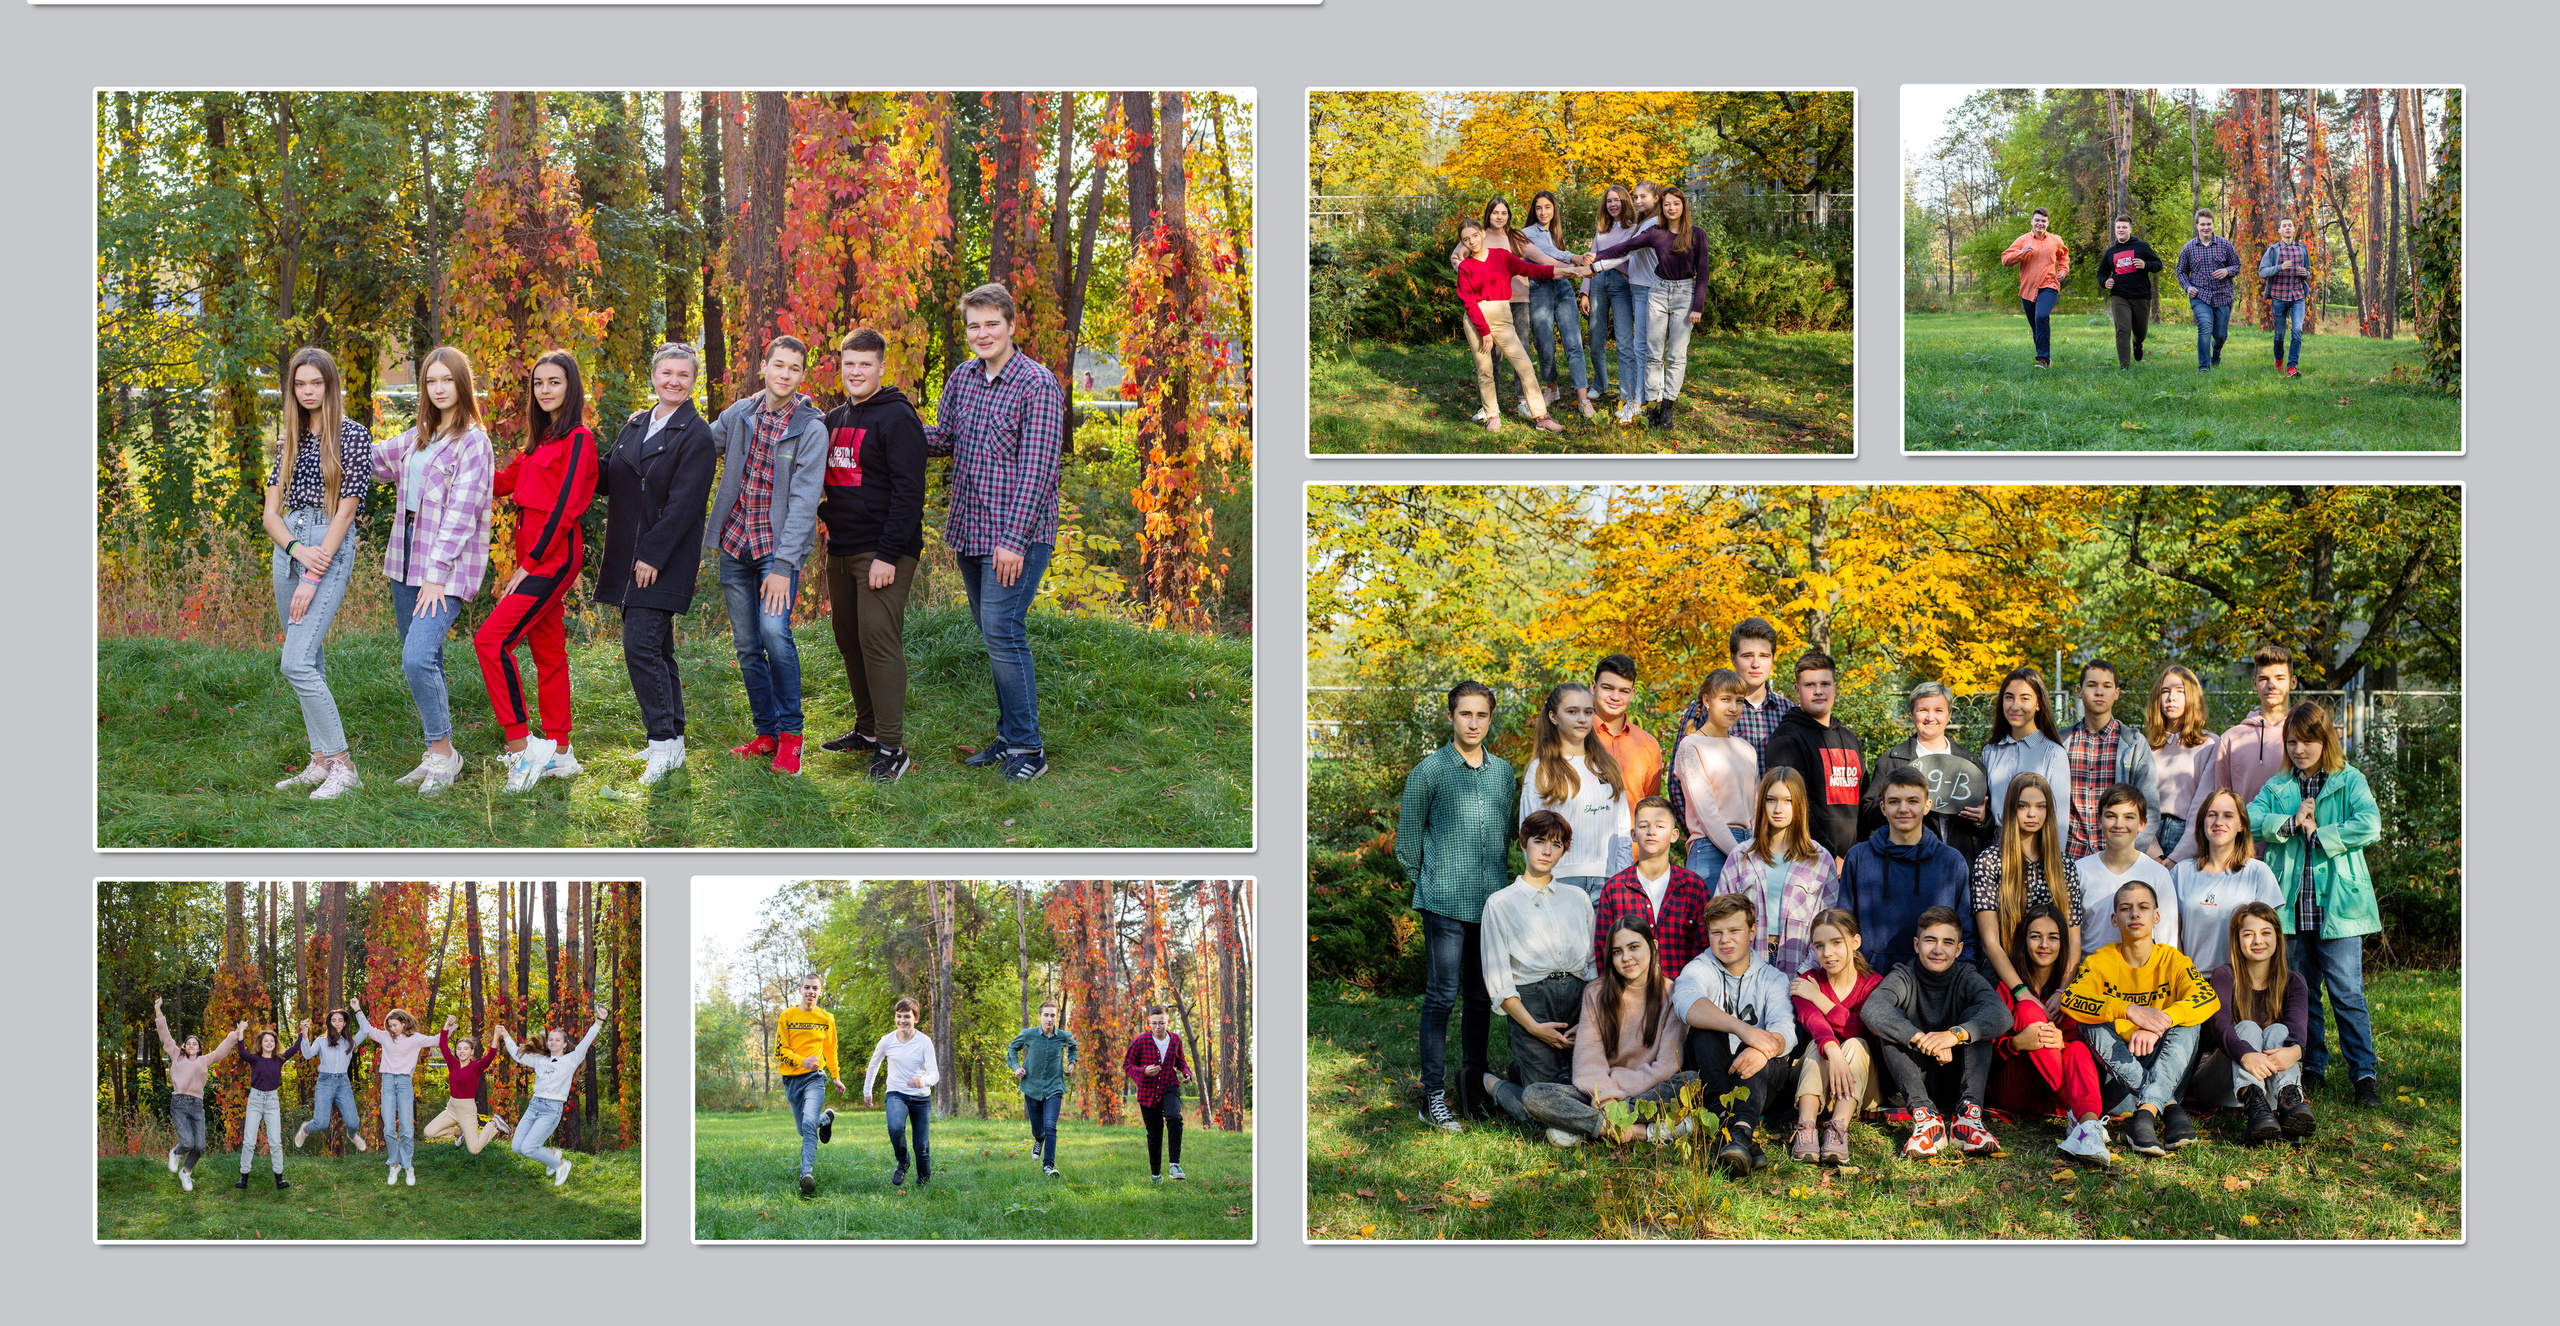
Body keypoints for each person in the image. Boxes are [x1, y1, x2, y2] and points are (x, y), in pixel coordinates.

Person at [926, 283, 1067, 782]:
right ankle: (1010, 738)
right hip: (970, 528)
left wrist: (1013, 541)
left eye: (991, 324)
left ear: (1011, 326)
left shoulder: (1037, 385)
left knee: (1004, 633)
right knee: (993, 633)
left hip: (1016, 536)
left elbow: (1038, 471)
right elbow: (942, 439)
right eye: (973, 326)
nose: (982, 334)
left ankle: (1030, 748)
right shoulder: (962, 379)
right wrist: (889, 421)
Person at [369, 345, 494, 797]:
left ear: (462, 383)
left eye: (447, 380)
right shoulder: (421, 435)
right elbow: (374, 460)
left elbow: (462, 513)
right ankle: (436, 752)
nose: (439, 389)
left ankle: (444, 755)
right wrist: (310, 441)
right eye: (431, 381)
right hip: (405, 563)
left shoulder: (473, 442)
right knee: (430, 659)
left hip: (443, 571)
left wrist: (437, 574)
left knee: (417, 657)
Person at [596, 341, 720, 785]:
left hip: (660, 558)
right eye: (666, 373)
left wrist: (652, 554)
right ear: (654, 376)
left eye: (683, 375)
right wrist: (571, 453)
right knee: (657, 649)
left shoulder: (697, 434)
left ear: (693, 381)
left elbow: (685, 505)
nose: (674, 381)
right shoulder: (636, 423)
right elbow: (607, 475)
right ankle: (673, 747)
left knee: (640, 646)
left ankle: (661, 745)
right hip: (627, 556)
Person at [475, 349, 598, 794]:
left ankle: (521, 746)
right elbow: (503, 482)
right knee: (548, 652)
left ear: (571, 387)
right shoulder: (540, 441)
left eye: (554, 382)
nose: (545, 391)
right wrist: (458, 464)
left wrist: (528, 566)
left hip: (554, 557)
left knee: (490, 640)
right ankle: (561, 753)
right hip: (531, 554)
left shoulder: (579, 439)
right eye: (539, 383)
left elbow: (566, 509)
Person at [2249, 701, 2384, 1108]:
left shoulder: (2349, 781)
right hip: (2291, 910)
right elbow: (2250, 819)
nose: (2299, 749)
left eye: (2308, 740)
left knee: (2347, 993)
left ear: (2325, 740)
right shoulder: (2277, 787)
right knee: (2301, 992)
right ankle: (2312, 1066)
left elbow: (2369, 824)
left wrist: (2318, 831)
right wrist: (2290, 822)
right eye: (2292, 741)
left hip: (2338, 908)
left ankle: (2364, 1075)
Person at [1398, 681, 1516, 1131]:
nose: (1473, 722)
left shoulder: (1503, 773)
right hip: (1444, 905)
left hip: (1489, 906)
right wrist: (1431, 884)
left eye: (1481, 715)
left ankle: (1472, 1088)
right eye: (1465, 714)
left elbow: (1506, 835)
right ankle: (1433, 1095)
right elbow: (1407, 845)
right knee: (1441, 997)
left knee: (1480, 997)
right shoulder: (1428, 772)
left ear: (1490, 718)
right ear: (1451, 717)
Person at [707, 335, 828, 776]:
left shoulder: (810, 429)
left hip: (773, 553)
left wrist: (782, 567)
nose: (784, 374)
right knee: (745, 645)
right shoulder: (739, 414)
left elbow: (803, 503)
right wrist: (654, 425)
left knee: (774, 634)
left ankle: (792, 739)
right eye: (778, 365)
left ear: (801, 375)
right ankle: (766, 733)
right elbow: (701, 447)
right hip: (735, 544)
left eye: (794, 369)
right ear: (765, 366)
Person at [816, 328, 930, 783]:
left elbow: (909, 493)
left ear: (882, 367)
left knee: (879, 643)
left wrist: (887, 555)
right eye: (849, 364)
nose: (857, 372)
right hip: (841, 548)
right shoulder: (835, 418)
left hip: (883, 554)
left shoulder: (898, 419)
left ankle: (892, 746)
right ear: (840, 367)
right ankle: (866, 732)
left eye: (866, 364)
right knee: (850, 642)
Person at [261, 346, 373, 800]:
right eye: (300, 384)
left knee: (296, 661)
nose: (308, 392)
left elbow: (345, 515)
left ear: (330, 385)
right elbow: (270, 513)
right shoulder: (290, 438)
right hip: (289, 544)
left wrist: (311, 571)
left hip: (328, 544)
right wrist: (292, 548)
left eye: (316, 383)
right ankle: (320, 761)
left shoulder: (352, 436)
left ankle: (344, 766)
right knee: (312, 658)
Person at [2057, 881, 2217, 1156]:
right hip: (2119, 1083)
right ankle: (2164, 1107)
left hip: (2168, 1070)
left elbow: (2207, 998)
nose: (2134, 914)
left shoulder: (2173, 960)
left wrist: (2161, 1022)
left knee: (2190, 1018)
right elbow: (2070, 999)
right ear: (2114, 919)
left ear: (2156, 916)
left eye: (2143, 907)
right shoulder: (2099, 961)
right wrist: (2129, 1010)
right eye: (2125, 908)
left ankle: (2145, 1114)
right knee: (2088, 1018)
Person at [1520, 920, 1697, 1147]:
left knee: (1690, 1082)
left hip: (1648, 1092)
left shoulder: (1673, 994)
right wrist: (1607, 1100)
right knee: (1535, 1095)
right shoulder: (1596, 992)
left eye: (1634, 947)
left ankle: (1587, 1128)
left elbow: (1667, 1066)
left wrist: (1620, 1094)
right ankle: (1640, 1131)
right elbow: (1589, 1059)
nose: (1626, 958)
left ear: (1653, 946)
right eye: (1617, 951)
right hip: (1600, 1093)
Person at [1477, 810, 1595, 1130]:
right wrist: (1534, 1028)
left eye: (1555, 845)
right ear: (1523, 844)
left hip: (1576, 1002)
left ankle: (1522, 1074)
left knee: (1588, 1092)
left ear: (1563, 850)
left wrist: (1588, 1020)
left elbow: (1592, 966)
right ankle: (1490, 1083)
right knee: (1542, 1114)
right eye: (1539, 841)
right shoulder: (1500, 904)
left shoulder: (1577, 899)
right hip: (1531, 1006)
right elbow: (1500, 983)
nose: (1546, 851)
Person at [1863, 907, 2012, 1159]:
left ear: (1959, 949)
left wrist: (1955, 1034)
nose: (1938, 949)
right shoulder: (1904, 974)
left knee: (1977, 1022)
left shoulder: (1966, 976)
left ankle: (1968, 1119)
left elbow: (2001, 1015)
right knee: (1892, 1024)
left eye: (1947, 942)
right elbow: (1872, 1009)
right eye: (1930, 940)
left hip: (1957, 1082)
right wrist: (1922, 1038)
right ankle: (1926, 1122)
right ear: (1916, 944)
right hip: (1910, 1085)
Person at [1671, 893, 1798, 1175]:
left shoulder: (1772, 978)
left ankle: (1732, 1133)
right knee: (1705, 1031)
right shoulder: (1701, 967)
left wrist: (1763, 1046)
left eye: (1734, 931)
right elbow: (1685, 1002)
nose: (1725, 940)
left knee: (1766, 1052)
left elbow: (1785, 1028)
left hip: (1759, 1076)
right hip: (1713, 1070)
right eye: (1716, 932)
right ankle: (1740, 1136)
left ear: (1752, 932)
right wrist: (1742, 1029)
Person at [1988, 904, 2112, 1167]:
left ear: (2063, 943)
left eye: (2053, 937)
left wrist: (2062, 1045)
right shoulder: (2005, 986)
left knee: (2077, 1047)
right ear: (2024, 941)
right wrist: (2016, 1043)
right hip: (2017, 1089)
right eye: (2035, 936)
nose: (2044, 945)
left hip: (2056, 1102)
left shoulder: (2074, 991)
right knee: (2028, 1008)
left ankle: (2086, 1128)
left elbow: (2085, 1054)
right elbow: (1984, 1052)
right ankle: (2084, 1120)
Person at [1587, 187, 1711, 429]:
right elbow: (1625, 248)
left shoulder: (1697, 234)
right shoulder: (1656, 232)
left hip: (1684, 295)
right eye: (1667, 204)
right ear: (1662, 207)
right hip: (1657, 292)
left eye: (1676, 203)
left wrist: (1698, 305)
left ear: (1683, 206)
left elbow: (1703, 272)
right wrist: (1596, 256)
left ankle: (1667, 408)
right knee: (1653, 354)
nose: (1671, 208)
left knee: (1676, 355)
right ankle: (1652, 405)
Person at [2197, 903, 2317, 1141]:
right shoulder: (2224, 974)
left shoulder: (2294, 981)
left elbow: (2298, 1030)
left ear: (2277, 937)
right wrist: (2245, 1055)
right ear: (2237, 940)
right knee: (2248, 1027)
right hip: (2218, 1082)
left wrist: (2294, 1051)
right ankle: (2255, 1110)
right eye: (2248, 934)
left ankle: (2290, 1103)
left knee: (2279, 1030)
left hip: (2271, 1087)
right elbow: (2220, 1028)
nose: (2257, 940)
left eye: (2265, 932)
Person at [2173, 646, 2301, 864]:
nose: (2271, 685)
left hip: (2293, 852)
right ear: (2254, 683)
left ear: (2293, 682)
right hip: (2242, 855)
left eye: (2280, 678)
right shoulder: (2232, 739)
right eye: (2264, 678)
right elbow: (2219, 800)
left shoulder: (2304, 738)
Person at [1841, 765, 1972, 975]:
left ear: (1927, 806)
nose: (1903, 809)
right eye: (1894, 801)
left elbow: (1966, 934)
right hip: (1870, 980)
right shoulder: (1858, 857)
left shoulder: (1951, 861)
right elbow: (1844, 929)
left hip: (1935, 983)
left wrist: (1958, 985)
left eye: (1913, 801)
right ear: (1882, 807)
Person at [1666, 618, 1794, 831]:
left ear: (1772, 659)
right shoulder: (1706, 711)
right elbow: (1678, 784)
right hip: (1717, 836)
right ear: (1733, 658)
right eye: (1747, 656)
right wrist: (1700, 835)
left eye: (1764, 656)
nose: (1756, 664)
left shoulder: (1788, 712)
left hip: (1779, 835)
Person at [1453, 217, 1576, 435]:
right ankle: (1492, 415)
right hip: (1476, 320)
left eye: (1474, 235)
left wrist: (1566, 271)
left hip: (1502, 316)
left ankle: (1541, 417)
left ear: (1482, 233)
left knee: (1525, 365)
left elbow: (1532, 270)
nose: (1471, 241)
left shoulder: (1502, 256)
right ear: (1463, 244)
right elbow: (1469, 301)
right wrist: (1484, 331)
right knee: (1485, 370)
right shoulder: (1466, 267)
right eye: (1465, 240)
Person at [1712, 770, 1840, 977]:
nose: (1778, 809)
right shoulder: (1741, 856)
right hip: (1746, 966)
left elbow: (1831, 922)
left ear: (1799, 804)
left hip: (1802, 966)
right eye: (1771, 800)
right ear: (1762, 803)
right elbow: (1720, 918)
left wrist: (1807, 970)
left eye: (1788, 800)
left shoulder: (1820, 859)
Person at [1972, 772, 2085, 998]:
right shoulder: (1989, 861)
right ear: (2011, 809)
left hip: (2054, 977)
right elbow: (1990, 942)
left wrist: (2062, 990)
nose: (2032, 814)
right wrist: (2022, 992)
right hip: (2004, 978)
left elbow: (2073, 940)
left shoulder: (2064, 865)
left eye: (2040, 806)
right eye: (2023, 806)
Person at [1517, 681, 1633, 900]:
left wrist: (1622, 881)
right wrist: (1541, 886)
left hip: (1607, 883)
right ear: (1553, 716)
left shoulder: (1607, 767)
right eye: (1572, 712)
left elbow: (1623, 830)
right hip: (1560, 883)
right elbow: (1531, 835)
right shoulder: (1541, 769)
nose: (1582, 719)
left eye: (1588, 712)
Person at [1785, 909, 1883, 1166]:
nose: (1827, 953)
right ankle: (1806, 1128)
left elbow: (1861, 1028)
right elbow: (1813, 1022)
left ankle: (1837, 1129)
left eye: (1836, 942)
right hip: (1816, 1082)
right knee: (1818, 1047)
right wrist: (1833, 1051)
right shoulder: (1806, 980)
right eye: (1819, 946)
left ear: (1855, 942)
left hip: (1860, 1083)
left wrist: (1819, 998)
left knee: (1856, 1044)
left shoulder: (1873, 984)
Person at [1860, 680, 1989, 862]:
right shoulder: (1893, 761)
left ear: (1949, 715)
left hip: (1956, 864)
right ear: (1912, 714)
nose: (1930, 717)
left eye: (1938, 710)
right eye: (1923, 710)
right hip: (1905, 862)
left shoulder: (1969, 762)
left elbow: (1986, 824)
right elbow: (1867, 816)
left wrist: (1981, 818)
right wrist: (1896, 800)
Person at [1591, 796, 1712, 979]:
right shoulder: (1614, 889)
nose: (1651, 832)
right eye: (1643, 826)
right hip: (1628, 994)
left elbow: (1704, 946)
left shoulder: (1694, 886)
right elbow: (1603, 949)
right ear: (1633, 834)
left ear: (1674, 835)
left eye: (1660, 826)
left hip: (1682, 993)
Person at [1760, 650, 1864, 860]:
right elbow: (1795, 805)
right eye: (1810, 685)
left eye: (1825, 684)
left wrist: (1861, 852)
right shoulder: (1787, 738)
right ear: (1797, 691)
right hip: (1808, 857)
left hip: (1853, 860)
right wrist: (1830, 856)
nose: (1818, 691)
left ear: (1835, 688)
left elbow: (1862, 798)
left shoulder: (1849, 739)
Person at [2172, 787, 2285, 972]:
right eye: (2212, 815)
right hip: (2191, 982)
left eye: (2228, 816)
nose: (2219, 822)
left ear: (2241, 825)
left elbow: (2266, 940)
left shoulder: (2258, 873)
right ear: (2202, 822)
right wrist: (2183, 975)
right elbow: (2171, 935)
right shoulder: (2180, 873)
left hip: (2241, 982)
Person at [2061, 659, 2160, 859]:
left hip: (2115, 859)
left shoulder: (2134, 744)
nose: (2099, 692)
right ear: (2079, 691)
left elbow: (2149, 809)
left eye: (2107, 686)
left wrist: (2129, 854)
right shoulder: (2060, 742)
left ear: (2116, 693)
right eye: (2092, 685)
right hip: (2067, 857)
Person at [499, 1010, 609, 1187]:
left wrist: (600, 1019)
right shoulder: (540, 1059)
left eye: (558, 1040)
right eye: (550, 1039)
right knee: (517, 1147)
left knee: (528, 1148)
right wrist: (505, 1035)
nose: (553, 1042)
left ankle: (561, 1165)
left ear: (565, 1044)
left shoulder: (571, 1060)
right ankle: (552, 1155)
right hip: (534, 1106)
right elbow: (516, 1054)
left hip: (551, 1109)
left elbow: (588, 1040)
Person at [1672, 668, 1758, 883]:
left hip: (1750, 846)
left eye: (1739, 701)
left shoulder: (1746, 748)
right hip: (1710, 848)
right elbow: (1707, 811)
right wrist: (1740, 853)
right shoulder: (1691, 745)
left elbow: (1756, 807)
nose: (1733, 708)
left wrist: (1755, 847)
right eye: (1726, 699)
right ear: (1707, 701)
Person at [2077, 783, 2178, 954]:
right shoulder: (2079, 870)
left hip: (2140, 976)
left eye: (2129, 817)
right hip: (2089, 975)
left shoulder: (2157, 874)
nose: (2119, 824)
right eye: (2111, 816)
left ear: (2142, 824)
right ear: (2099, 821)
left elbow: (2167, 942)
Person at [1520, 190, 1594, 417]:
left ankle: (1583, 399)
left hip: (1561, 288)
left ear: (1554, 210)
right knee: (1545, 343)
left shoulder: (1554, 232)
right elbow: (1549, 255)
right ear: (1533, 210)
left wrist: (1578, 263)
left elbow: (1556, 252)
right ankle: (1552, 388)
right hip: (1539, 288)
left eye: (1548, 207)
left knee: (1574, 342)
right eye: (1539, 208)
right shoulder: (1526, 232)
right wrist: (1576, 260)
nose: (1543, 212)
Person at [153, 999, 241, 1192]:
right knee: (187, 1142)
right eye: (189, 1043)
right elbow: (165, 1036)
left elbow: (220, 1052)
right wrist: (158, 1011)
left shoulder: (203, 1060)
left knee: (199, 1146)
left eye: (195, 1043)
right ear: (184, 1046)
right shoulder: (176, 1055)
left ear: (199, 1048)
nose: (191, 1045)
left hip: (197, 1105)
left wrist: (235, 1034)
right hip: (179, 1103)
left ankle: (186, 1172)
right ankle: (175, 1153)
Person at [1582, 184, 1650, 418]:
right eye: (1609, 200)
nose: (1612, 204)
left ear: (1625, 203)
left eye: (1617, 200)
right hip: (1598, 283)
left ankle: (1627, 393)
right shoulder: (1601, 229)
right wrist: (1584, 291)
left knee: (1624, 341)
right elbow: (1591, 258)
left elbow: (1626, 256)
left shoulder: (1633, 229)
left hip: (1622, 285)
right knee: (1595, 338)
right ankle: (1599, 384)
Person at [352, 999, 436, 1186]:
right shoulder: (385, 1037)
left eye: (395, 1025)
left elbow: (437, 1039)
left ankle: (408, 1166)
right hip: (388, 1081)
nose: (392, 1029)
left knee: (406, 1129)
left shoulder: (415, 1038)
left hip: (405, 1082)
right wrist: (357, 1008)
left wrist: (449, 1027)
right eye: (389, 1026)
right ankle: (394, 1165)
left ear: (404, 1023)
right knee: (389, 1128)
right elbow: (367, 1029)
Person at [774, 973, 843, 1196]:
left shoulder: (827, 1019)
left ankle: (806, 1175)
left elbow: (831, 1050)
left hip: (816, 1078)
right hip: (792, 1079)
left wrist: (835, 1076)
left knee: (808, 1124)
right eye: (807, 987)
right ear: (800, 990)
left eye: (815, 988)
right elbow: (779, 1050)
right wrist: (801, 1061)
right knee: (803, 1128)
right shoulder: (787, 1016)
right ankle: (827, 1119)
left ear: (820, 992)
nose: (811, 992)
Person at [862, 997, 940, 1187]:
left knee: (921, 1146)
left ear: (916, 1019)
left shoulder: (924, 1042)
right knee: (895, 1127)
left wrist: (922, 1081)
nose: (902, 1021)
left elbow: (935, 1074)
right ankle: (903, 1160)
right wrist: (867, 1091)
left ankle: (923, 1183)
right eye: (898, 1016)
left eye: (907, 1016)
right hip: (896, 1093)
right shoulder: (887, 1041)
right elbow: (873, 1066)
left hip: (921, 1098)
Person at [2144, 664, 2218, 860]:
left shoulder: (2209, 745)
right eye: (2165, 691)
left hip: (2189, 835)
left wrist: (2177, 856)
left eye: (2180, 691)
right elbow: (2139, 804)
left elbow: (2203, 806)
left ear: (2192, 697)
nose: (2171, 698)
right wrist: (2155, 854)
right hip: (2150, 836)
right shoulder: (2146, 746)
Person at [1982, 666, 2069, 831]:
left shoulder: (2054, 754)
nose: (2015, 706)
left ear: (2038, 704)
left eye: (2024, 698)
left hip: (2035, 850)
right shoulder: (1990, 751)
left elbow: (2059, 821)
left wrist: (2054, 856)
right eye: (2009, 697)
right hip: (1994, 850)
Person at [1006, 1000, 1079, 1177]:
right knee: (1038, 1129)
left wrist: (1071, 1063)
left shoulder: (1063, 1036)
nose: (1049, 1019)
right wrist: (1016, 1068)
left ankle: (1048, 1167)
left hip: (1054, 1087)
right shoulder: (1028, 1034)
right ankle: (1039, 1139)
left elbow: (1073, 1047)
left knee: (1050, 1126)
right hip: (1032, 1086)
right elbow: (1012, 1048)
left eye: (1052, 1015)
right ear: (1040, 1016)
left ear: (1056, 1017)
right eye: (1046, 1015)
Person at [419, 1015, 508, 1158]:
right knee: (429, 1132)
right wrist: (446, 1025)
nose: (462, 1051)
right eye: (459, 1049)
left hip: (467, 1110)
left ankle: (494, 1124)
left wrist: (496, 1036)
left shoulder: (476, 1067)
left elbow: (490, 1056)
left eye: (466, 1049)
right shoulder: (452, 1063)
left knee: (474, 1149)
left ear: (472, 1051)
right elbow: (442, 1044)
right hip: (452, 1108)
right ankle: (458, 1133)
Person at [1123, 1006, 1193, 1183]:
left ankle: (1174, 1165)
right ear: (1149, 1023)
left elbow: (1181, 1060)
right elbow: (1127, 1065)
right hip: (1147, 1092)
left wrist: (1186, 1072)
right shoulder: (1140, 1042)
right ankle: (1156, 1176)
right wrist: (1143, 1071)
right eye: (1153, 1023)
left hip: (1169, 1086)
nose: (1157, 1027)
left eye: (1161, 1023)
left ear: (1168, 1022)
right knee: (1154, 1135)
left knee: (1174, 1117)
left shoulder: (1175, 1040)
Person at [291, 1007, 369, 1155]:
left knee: (353, 1122)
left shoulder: (349, 1042)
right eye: (333, 1020)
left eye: (340, 1020)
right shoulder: (321, 1041)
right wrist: (304, 1034)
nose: (337, 1023)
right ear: (329, 1023)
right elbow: (307, 1055)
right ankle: (305, 1129)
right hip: (325, 1082)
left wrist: (358, 1009)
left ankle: (352, 1136)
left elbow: (365, 1030)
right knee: (321, 1123)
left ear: (345, 1023)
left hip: (343, 1083)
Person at [1999, 207, 2070, 369]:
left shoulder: (2055, 240)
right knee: (2036, 326)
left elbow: (2063, 257)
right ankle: (2044, 359)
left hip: (2049, 286)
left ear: (2048, 223)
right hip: (2028, 289)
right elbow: (2005, 260)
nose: (2040, 223)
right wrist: (2021, 253)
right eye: (2037, 220)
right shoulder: (2023, 240)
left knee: (2041, 317)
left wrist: (2064, 271)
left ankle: (2043, 360)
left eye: (2043, 221)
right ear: (2032, 221)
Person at [1589, 654, 1663, 808]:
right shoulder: (1576, 737)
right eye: (1608, 688)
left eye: (1623, 691)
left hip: (1634, 831)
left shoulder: (1648, 744)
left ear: (1632, 694)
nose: (1615, 697)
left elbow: (1649, 804)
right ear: (1593, 687)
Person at [2176, 207, 2244, 371]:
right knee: (2205, 327)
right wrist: (2187, 287)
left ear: (2213, 225)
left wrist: (2227, 271)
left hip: (2223, 295)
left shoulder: (2225, 244)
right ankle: (2204, 367)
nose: (2206, 228)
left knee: (2220, 336)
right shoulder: (2188, 248)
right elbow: (2181, 271)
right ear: (2197, 226)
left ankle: (2217, 350)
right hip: (2200, 295)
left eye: (2209, 224)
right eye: (2202, 225)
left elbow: (2237, 265)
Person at [2096, 215, 2166, 369]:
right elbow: (2101, 273)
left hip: (2141, 295)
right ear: (2115, 230)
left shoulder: (2141, 246)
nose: (2121, 230)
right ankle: (2124, 367)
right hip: (2119, 295)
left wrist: (2145, 264)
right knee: (2123, 329)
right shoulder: (2110, 252)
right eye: (2118, 227)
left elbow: (2158, 264)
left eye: (2124, 227)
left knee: (2141, 332)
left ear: (2130, 229)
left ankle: (2137, 344)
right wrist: (2104, 282)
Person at [232, 1026, 294, 1191]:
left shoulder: (279, 1059)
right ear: (260, 1043)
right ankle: (243, 1177)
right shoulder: (255, 1059)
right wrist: (240, 1032)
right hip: (255, 1100)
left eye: (272, 1041)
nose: (269, 1043)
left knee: (275, 1142)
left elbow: (295, 1048)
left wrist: (303, 1031)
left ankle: (279, 1178)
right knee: (249, 1141)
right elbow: (242, 1053)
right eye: (266, 1040)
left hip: (272, 1101)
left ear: (275, 1044)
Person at [2260, 215, 2313, 377]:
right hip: (2279, 297)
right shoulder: (2273, 250)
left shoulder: (2302, 250)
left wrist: (2306, 274)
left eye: (2290, 225)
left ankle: (2292, 368)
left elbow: (2308, 272)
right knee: (2280, 334)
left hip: (2298, 296)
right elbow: (2262, 272)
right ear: (2280, 230)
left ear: (2294, 229)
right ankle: (2279, 361)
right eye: (2284, 226)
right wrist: (2280, 267)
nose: (2287, 228)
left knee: (2297, 330)